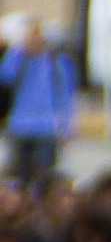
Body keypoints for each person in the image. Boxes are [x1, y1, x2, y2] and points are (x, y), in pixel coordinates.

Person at [0, 25, 78, 184]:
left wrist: (67, 127)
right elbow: (5, 76)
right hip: (20, 126)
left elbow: (66, 96)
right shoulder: (20, 60)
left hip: (46, 128)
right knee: (19, 175)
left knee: (44, 175)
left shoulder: (57, 62)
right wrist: (19, 52)